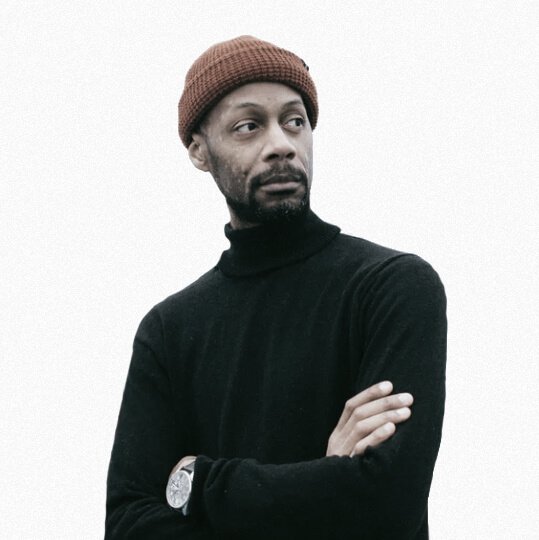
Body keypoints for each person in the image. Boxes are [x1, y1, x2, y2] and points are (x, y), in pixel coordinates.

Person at [105, 35, 447, 539]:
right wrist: (326, 479)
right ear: (199, 151)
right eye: (248, 126)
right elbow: (128, 526)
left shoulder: (391, 286)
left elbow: (387, 502)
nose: (281, 144)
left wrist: (204, 484)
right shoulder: (169, 331)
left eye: (294, 121)